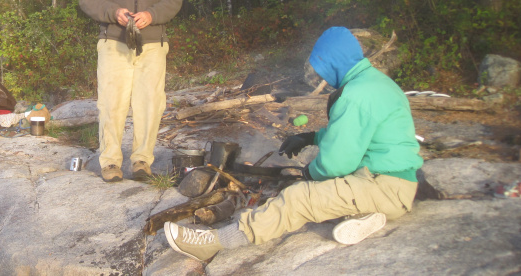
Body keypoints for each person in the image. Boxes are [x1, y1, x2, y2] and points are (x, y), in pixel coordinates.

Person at [164, 26, 423, 261]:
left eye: (323, 67)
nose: (323, 77)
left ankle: (215, 242)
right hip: (388, 183)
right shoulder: (373, 82)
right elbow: (360, 134)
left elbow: (335, 165)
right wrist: (312, 137)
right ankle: (366, 215)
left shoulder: (356, 94)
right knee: (320, 191)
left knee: (298, 198)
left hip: (383, 187)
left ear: (333, 60)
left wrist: (310, 174)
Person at [79, 0, 184, 183]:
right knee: (110, 104)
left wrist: (152, 14)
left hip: (152, 43)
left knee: (150, 103)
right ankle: (111, 162)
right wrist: (113, 12)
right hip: (114, 42)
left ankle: (141, 161)